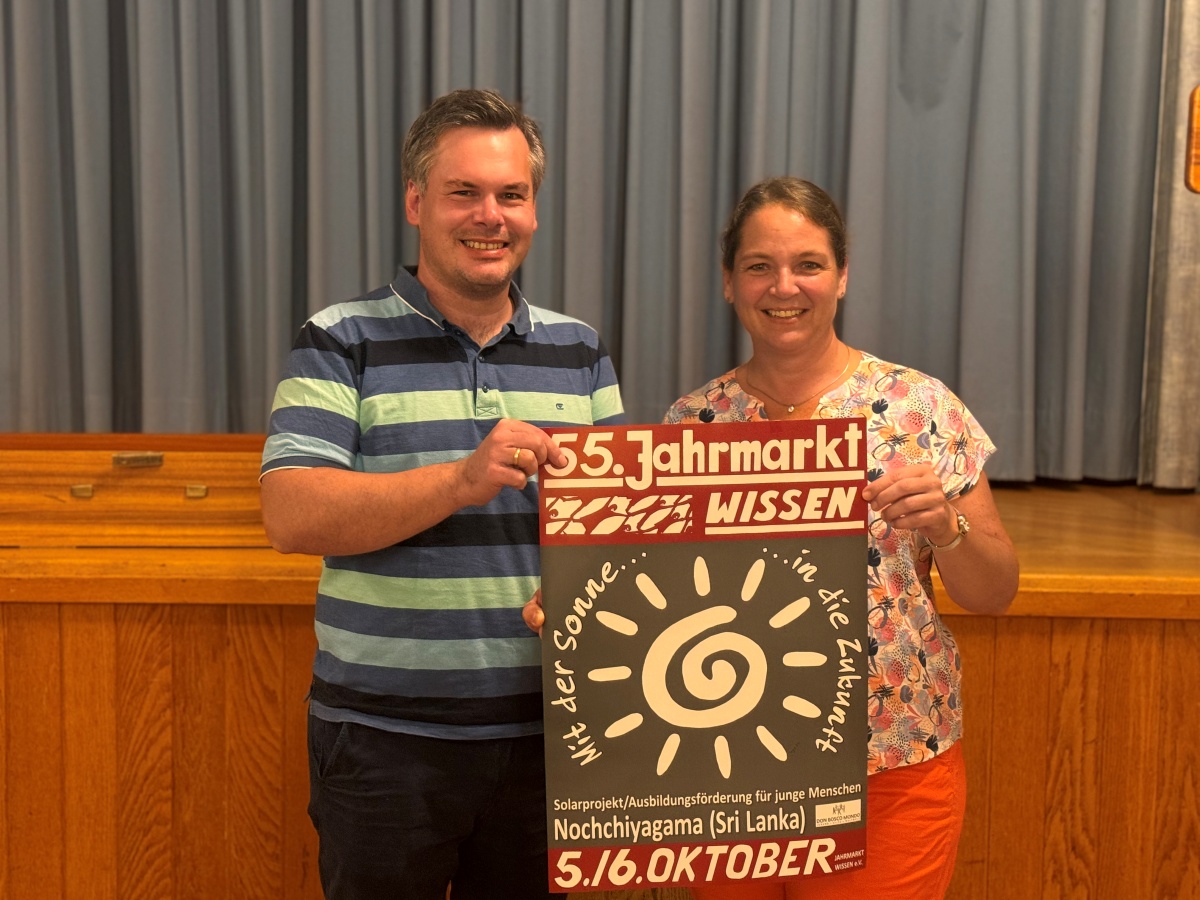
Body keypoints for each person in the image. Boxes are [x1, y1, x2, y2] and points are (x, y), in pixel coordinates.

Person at [525, 176, 1018, 899]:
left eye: (809, 264)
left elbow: (996, 591)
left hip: (893, 763)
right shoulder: (693, 423)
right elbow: (657, 597)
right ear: (729, 282)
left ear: (841, 275)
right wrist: (574, 612)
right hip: (732, 766)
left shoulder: (921, 406)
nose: (784, 286)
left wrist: (948, 527)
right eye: (759, 265)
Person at [260, 88, 624, 900]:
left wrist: (577, 596)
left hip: (551, 738)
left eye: (511, 194)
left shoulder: (581, 350)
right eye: (464, 192)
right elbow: (291, 514)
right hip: (384, 744)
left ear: (533, 209)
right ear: (417, 202)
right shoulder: (337, 339)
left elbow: (610, 537)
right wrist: (460, 481)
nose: (489, 216)